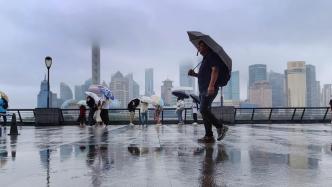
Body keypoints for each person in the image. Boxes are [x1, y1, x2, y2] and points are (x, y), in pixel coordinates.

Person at [188, 40, 228, 143]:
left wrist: (211, 86)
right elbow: (204, 76)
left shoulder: (211, 56)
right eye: (199, 46)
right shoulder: (205, 59)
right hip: (203, 90)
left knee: (203, 110)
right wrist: (194, 74)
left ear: (207, 47)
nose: (199, 48)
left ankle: (221, 127)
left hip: (208, 89)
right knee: (206, 112)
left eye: (201, 46)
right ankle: (209, 136)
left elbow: (215, 70)